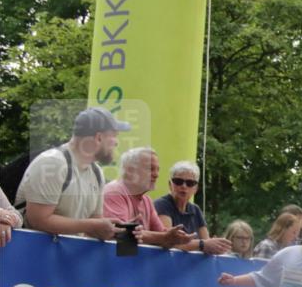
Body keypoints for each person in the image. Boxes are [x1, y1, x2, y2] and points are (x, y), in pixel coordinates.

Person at [14, 107, 130, 240]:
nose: (116, 142)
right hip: (28, 255)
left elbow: (93, 222)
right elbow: (38, 221)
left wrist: (118, 231)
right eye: (114, 136)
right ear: (98, 138)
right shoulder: (53, 163)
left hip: (61, 256)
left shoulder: (97, 172)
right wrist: (91, 225)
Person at [103, 147, 192, 249]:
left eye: (158, 170)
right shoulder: (114, 193)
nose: (156, 175)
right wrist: (165, 237)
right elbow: (122, 236)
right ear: (130, 170)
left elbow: (163, 237)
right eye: (150, 169)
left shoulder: (146, 201)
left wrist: (176, 237)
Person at [154, 161, 231, 254]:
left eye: (190, 183)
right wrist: (202, 244)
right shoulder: (161, 205)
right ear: (170, 185)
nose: (184, 186)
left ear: (195, 189)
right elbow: (168, 241)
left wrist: (217, 246)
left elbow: (207, 242)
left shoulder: (195, 210)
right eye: (178, 181)